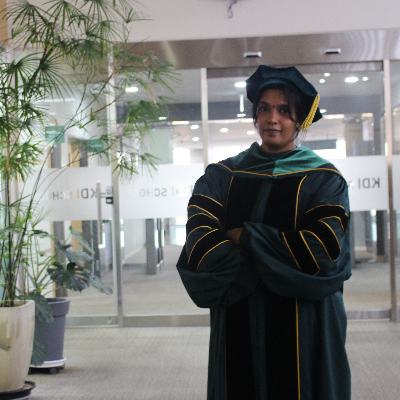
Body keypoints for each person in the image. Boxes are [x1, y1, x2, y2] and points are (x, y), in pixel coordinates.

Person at [177, 65, 351, 400]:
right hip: (238, 316)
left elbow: (321, 251)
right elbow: (200, 244)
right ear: (254, 115)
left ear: (299, 120)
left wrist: (247, 238)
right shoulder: (221, 176)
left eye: (284, 110)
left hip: (304, 321)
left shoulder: (323, 179)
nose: (272, 119)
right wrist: (276, 259)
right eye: (264, 109)